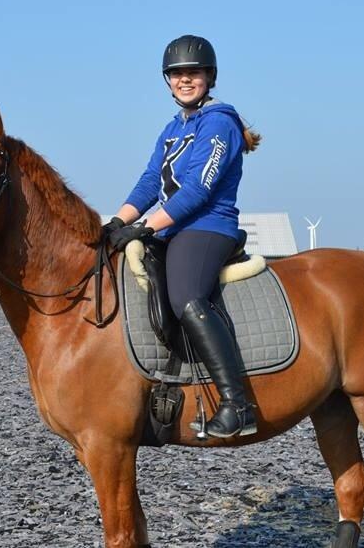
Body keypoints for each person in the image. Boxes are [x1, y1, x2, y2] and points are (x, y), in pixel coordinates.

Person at [105, 34, 261, 439]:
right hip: (172, 227)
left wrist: (146, 227)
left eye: (193, 73)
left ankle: (237, 404)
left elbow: (198, 190)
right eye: (177, 74)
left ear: (210, 77)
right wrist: (117, 222)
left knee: (186, 296)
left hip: (208, 226)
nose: (185, 80)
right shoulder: (173, 128)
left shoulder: (219, 123)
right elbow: (149, 182)